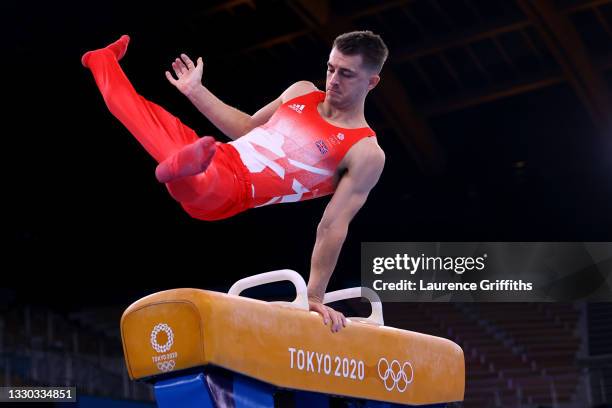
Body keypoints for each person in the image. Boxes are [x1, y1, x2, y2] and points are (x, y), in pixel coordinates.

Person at [81, 30, 388, 333]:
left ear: (371, 82)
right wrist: (195, 91)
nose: (333, 80)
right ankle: (101, 60)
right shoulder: (301, 92)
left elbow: (332, 226)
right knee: (136, 112)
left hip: (232, 191)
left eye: (346, 74)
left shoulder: (364, 151)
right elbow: (247, 127)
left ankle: (178, 169)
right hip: (217, 156)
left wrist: (313, 296)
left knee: (201, 180)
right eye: (330, 68)